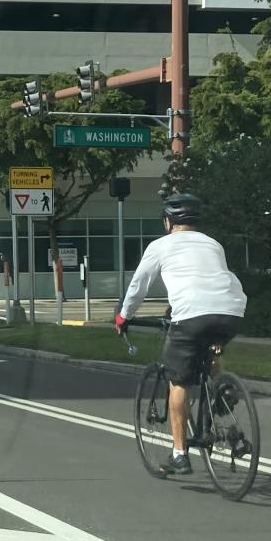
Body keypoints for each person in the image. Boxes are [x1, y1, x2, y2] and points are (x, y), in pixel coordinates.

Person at [114, 193, 248, 476]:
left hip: (190, 315)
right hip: (231, 312)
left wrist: (124, 316)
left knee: (179, 383)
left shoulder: (160, 246)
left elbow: (139, 285)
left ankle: (179, 454)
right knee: (212, 346)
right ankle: (222, 387)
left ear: (168, 221)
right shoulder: (213, 244)